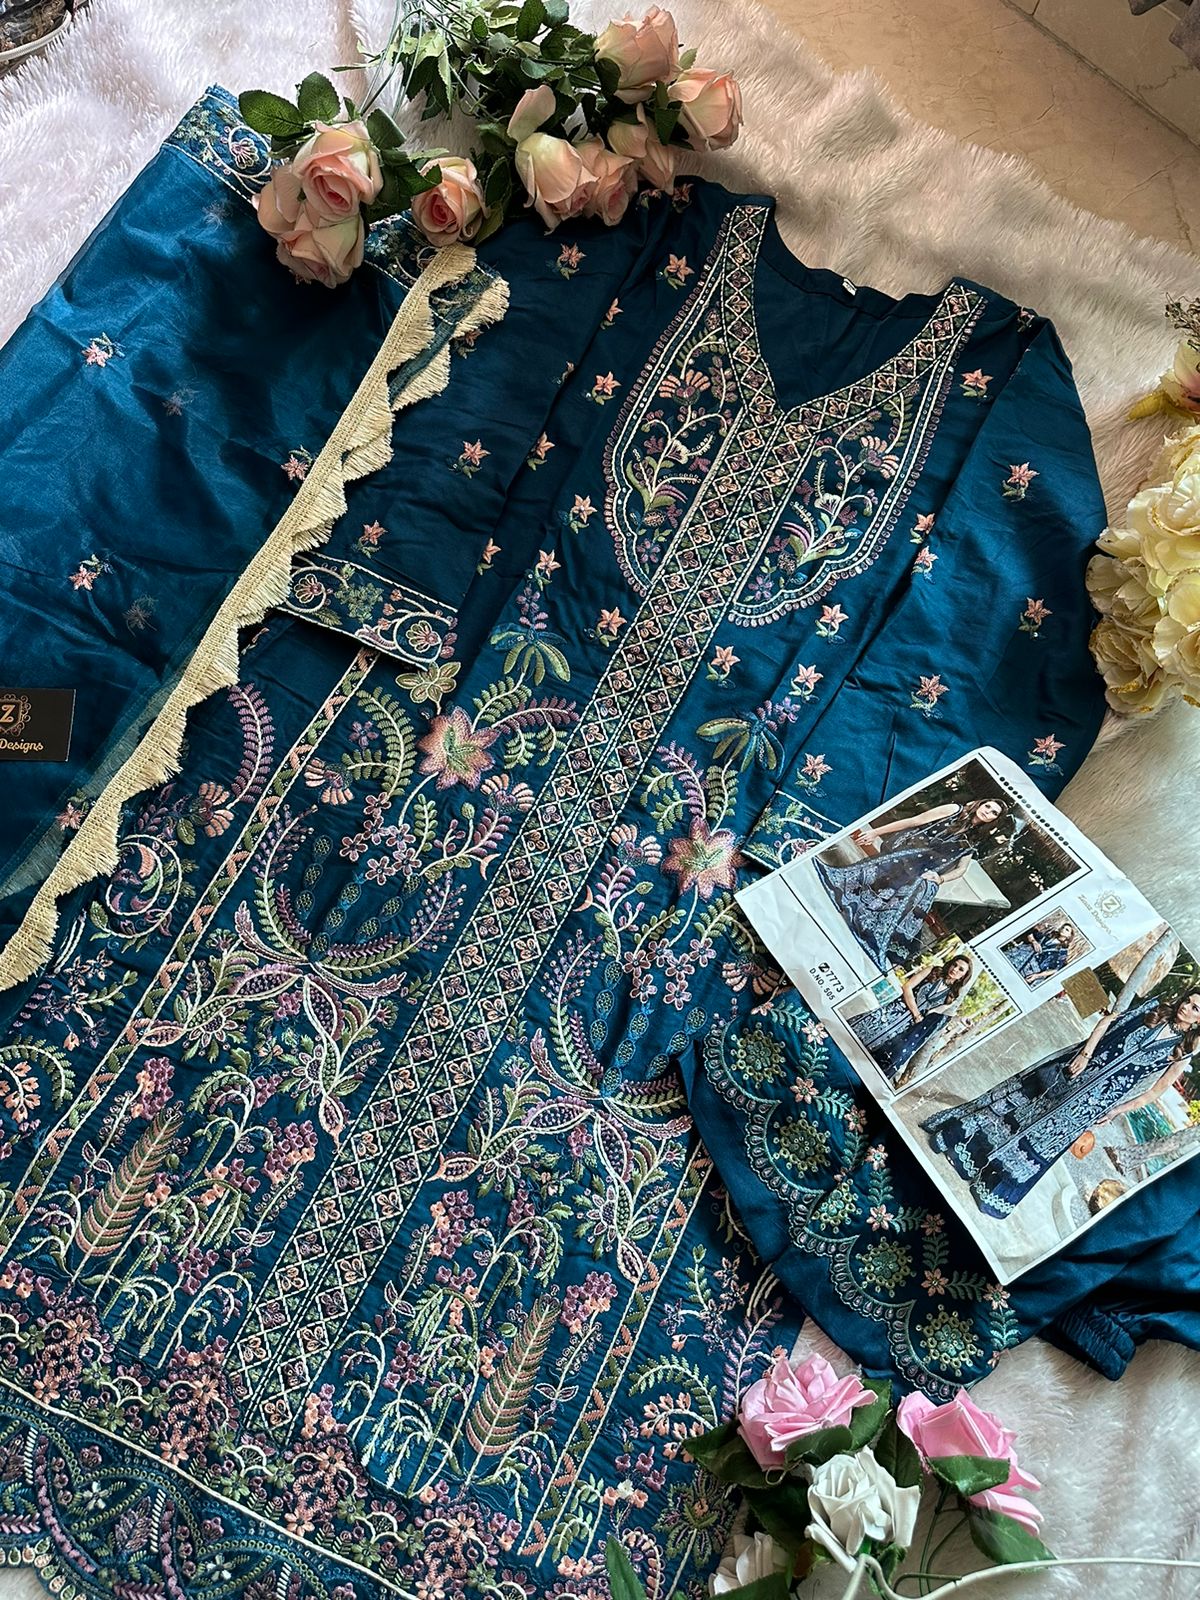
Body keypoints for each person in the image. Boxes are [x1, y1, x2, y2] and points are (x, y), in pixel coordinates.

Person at [923, 987, 1200, 1218]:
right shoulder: (1154, 1010)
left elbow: (1153, 1093)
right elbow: (1106, 1023)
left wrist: (1117, 1110)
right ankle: (961, 1146)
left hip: (1094, 1103)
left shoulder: (1182, 1052)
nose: (1186, 1008)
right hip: (1074, 1069)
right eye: (1188, 1001)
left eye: (1195, 1008)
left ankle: (990, 1187)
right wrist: (1085, 1054)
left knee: (1042, 1141)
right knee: (1019, 1104)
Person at [814, 796, 1011, 971]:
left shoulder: (974, 839)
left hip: (920, 869)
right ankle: (855, 901)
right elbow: (915, 820)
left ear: (995, 820)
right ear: (980, 804)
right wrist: (875, 832)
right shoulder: (954, 810)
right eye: (988, 806)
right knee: (879, 881)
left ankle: (873, 925)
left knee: (925, 888)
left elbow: (961, 869)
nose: (988, 812)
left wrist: (941, 878)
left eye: (994, 813)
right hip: (906, 852)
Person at [850, 952, 974, 1087]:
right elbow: (907, 987)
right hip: (895, 1010)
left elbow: (933, 1013)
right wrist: (916, 1013)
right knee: (862, 1031)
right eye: (954, 965)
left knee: (875, 1049)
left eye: (961, 969)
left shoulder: (952, 995)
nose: (955, 969)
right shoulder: (933, 971)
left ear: (964, 976)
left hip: (907, 1025)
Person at [1007, 919, 1075, 985]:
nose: (1063, 929)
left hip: (1032, 970)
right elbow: (1030, 933)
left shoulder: (1063, 951)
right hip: (1020, 955)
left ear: (1069, 936)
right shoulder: (1048, 935)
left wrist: (1036, 976)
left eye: (1067, 930)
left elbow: (1055, 969)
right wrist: (1034, 941)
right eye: (1063, 927)